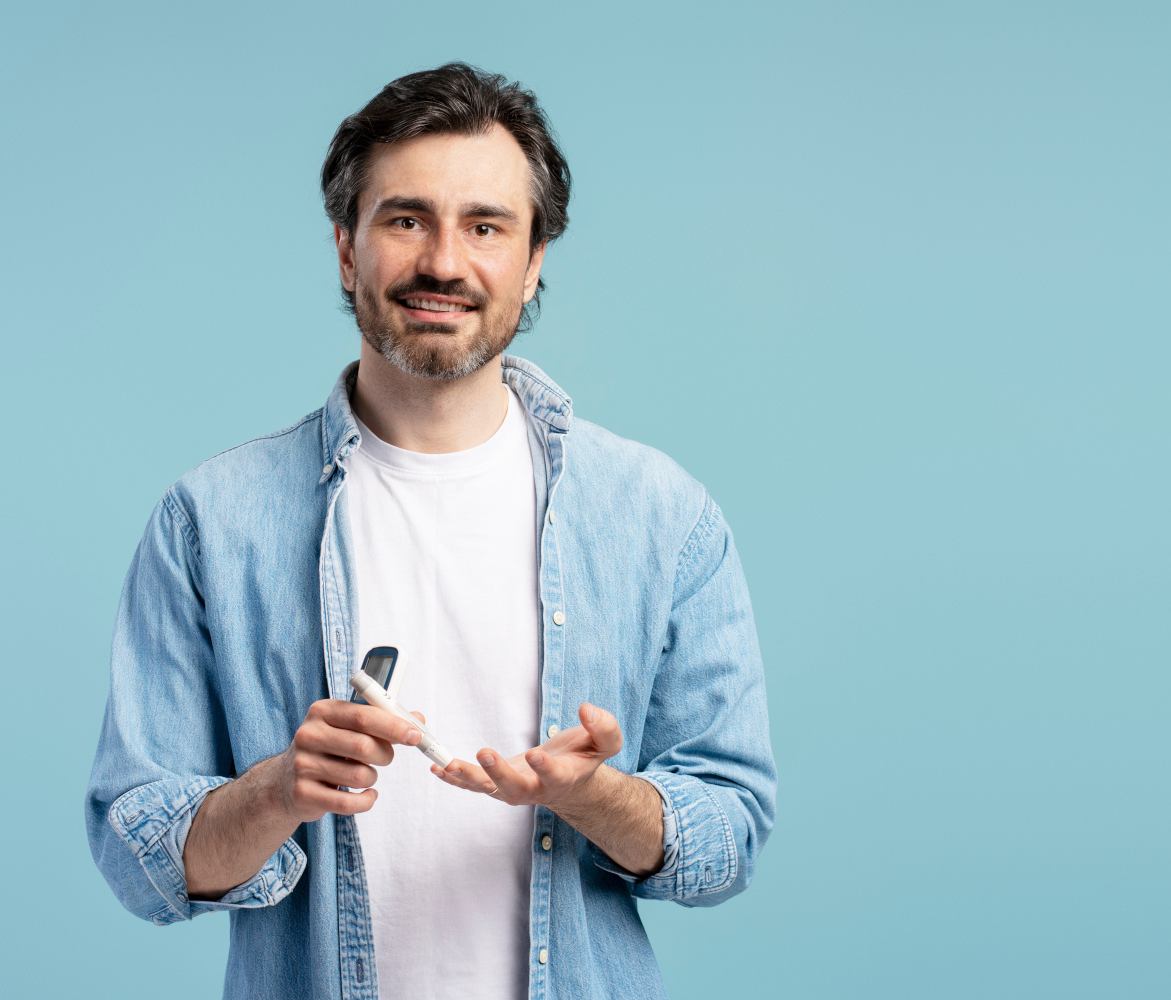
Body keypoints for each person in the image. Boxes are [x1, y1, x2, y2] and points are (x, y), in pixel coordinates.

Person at [86, 63, 776, 1000]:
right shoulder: (209, 523)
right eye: (406, 219)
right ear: (346, 249)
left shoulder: (662, 516)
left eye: (485, 227)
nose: (444, 262)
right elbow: (138, 858)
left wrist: (591, 797)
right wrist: (280, 790)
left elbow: (729, 835)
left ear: (533, 262)